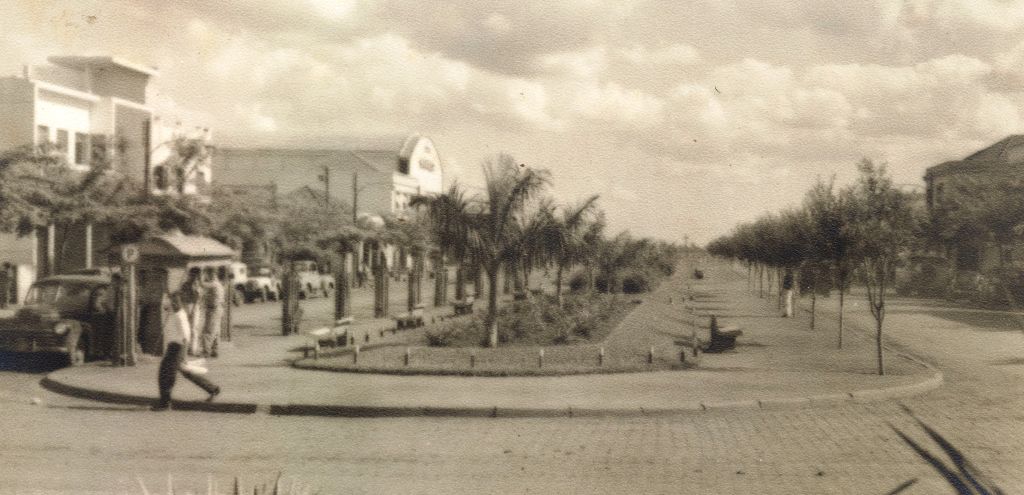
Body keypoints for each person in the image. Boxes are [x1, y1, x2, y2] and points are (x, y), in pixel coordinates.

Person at [200, 270, 226, 358]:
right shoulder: (218, 284)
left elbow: (202, 284)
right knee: (216, 331)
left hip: (213, 309)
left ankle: (206, 351)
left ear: (213, 275)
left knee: (208, 330)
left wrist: (201, 275)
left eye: (209, 275)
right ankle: (215, 350)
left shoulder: (214, 284)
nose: (208, 277)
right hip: (218, 309)